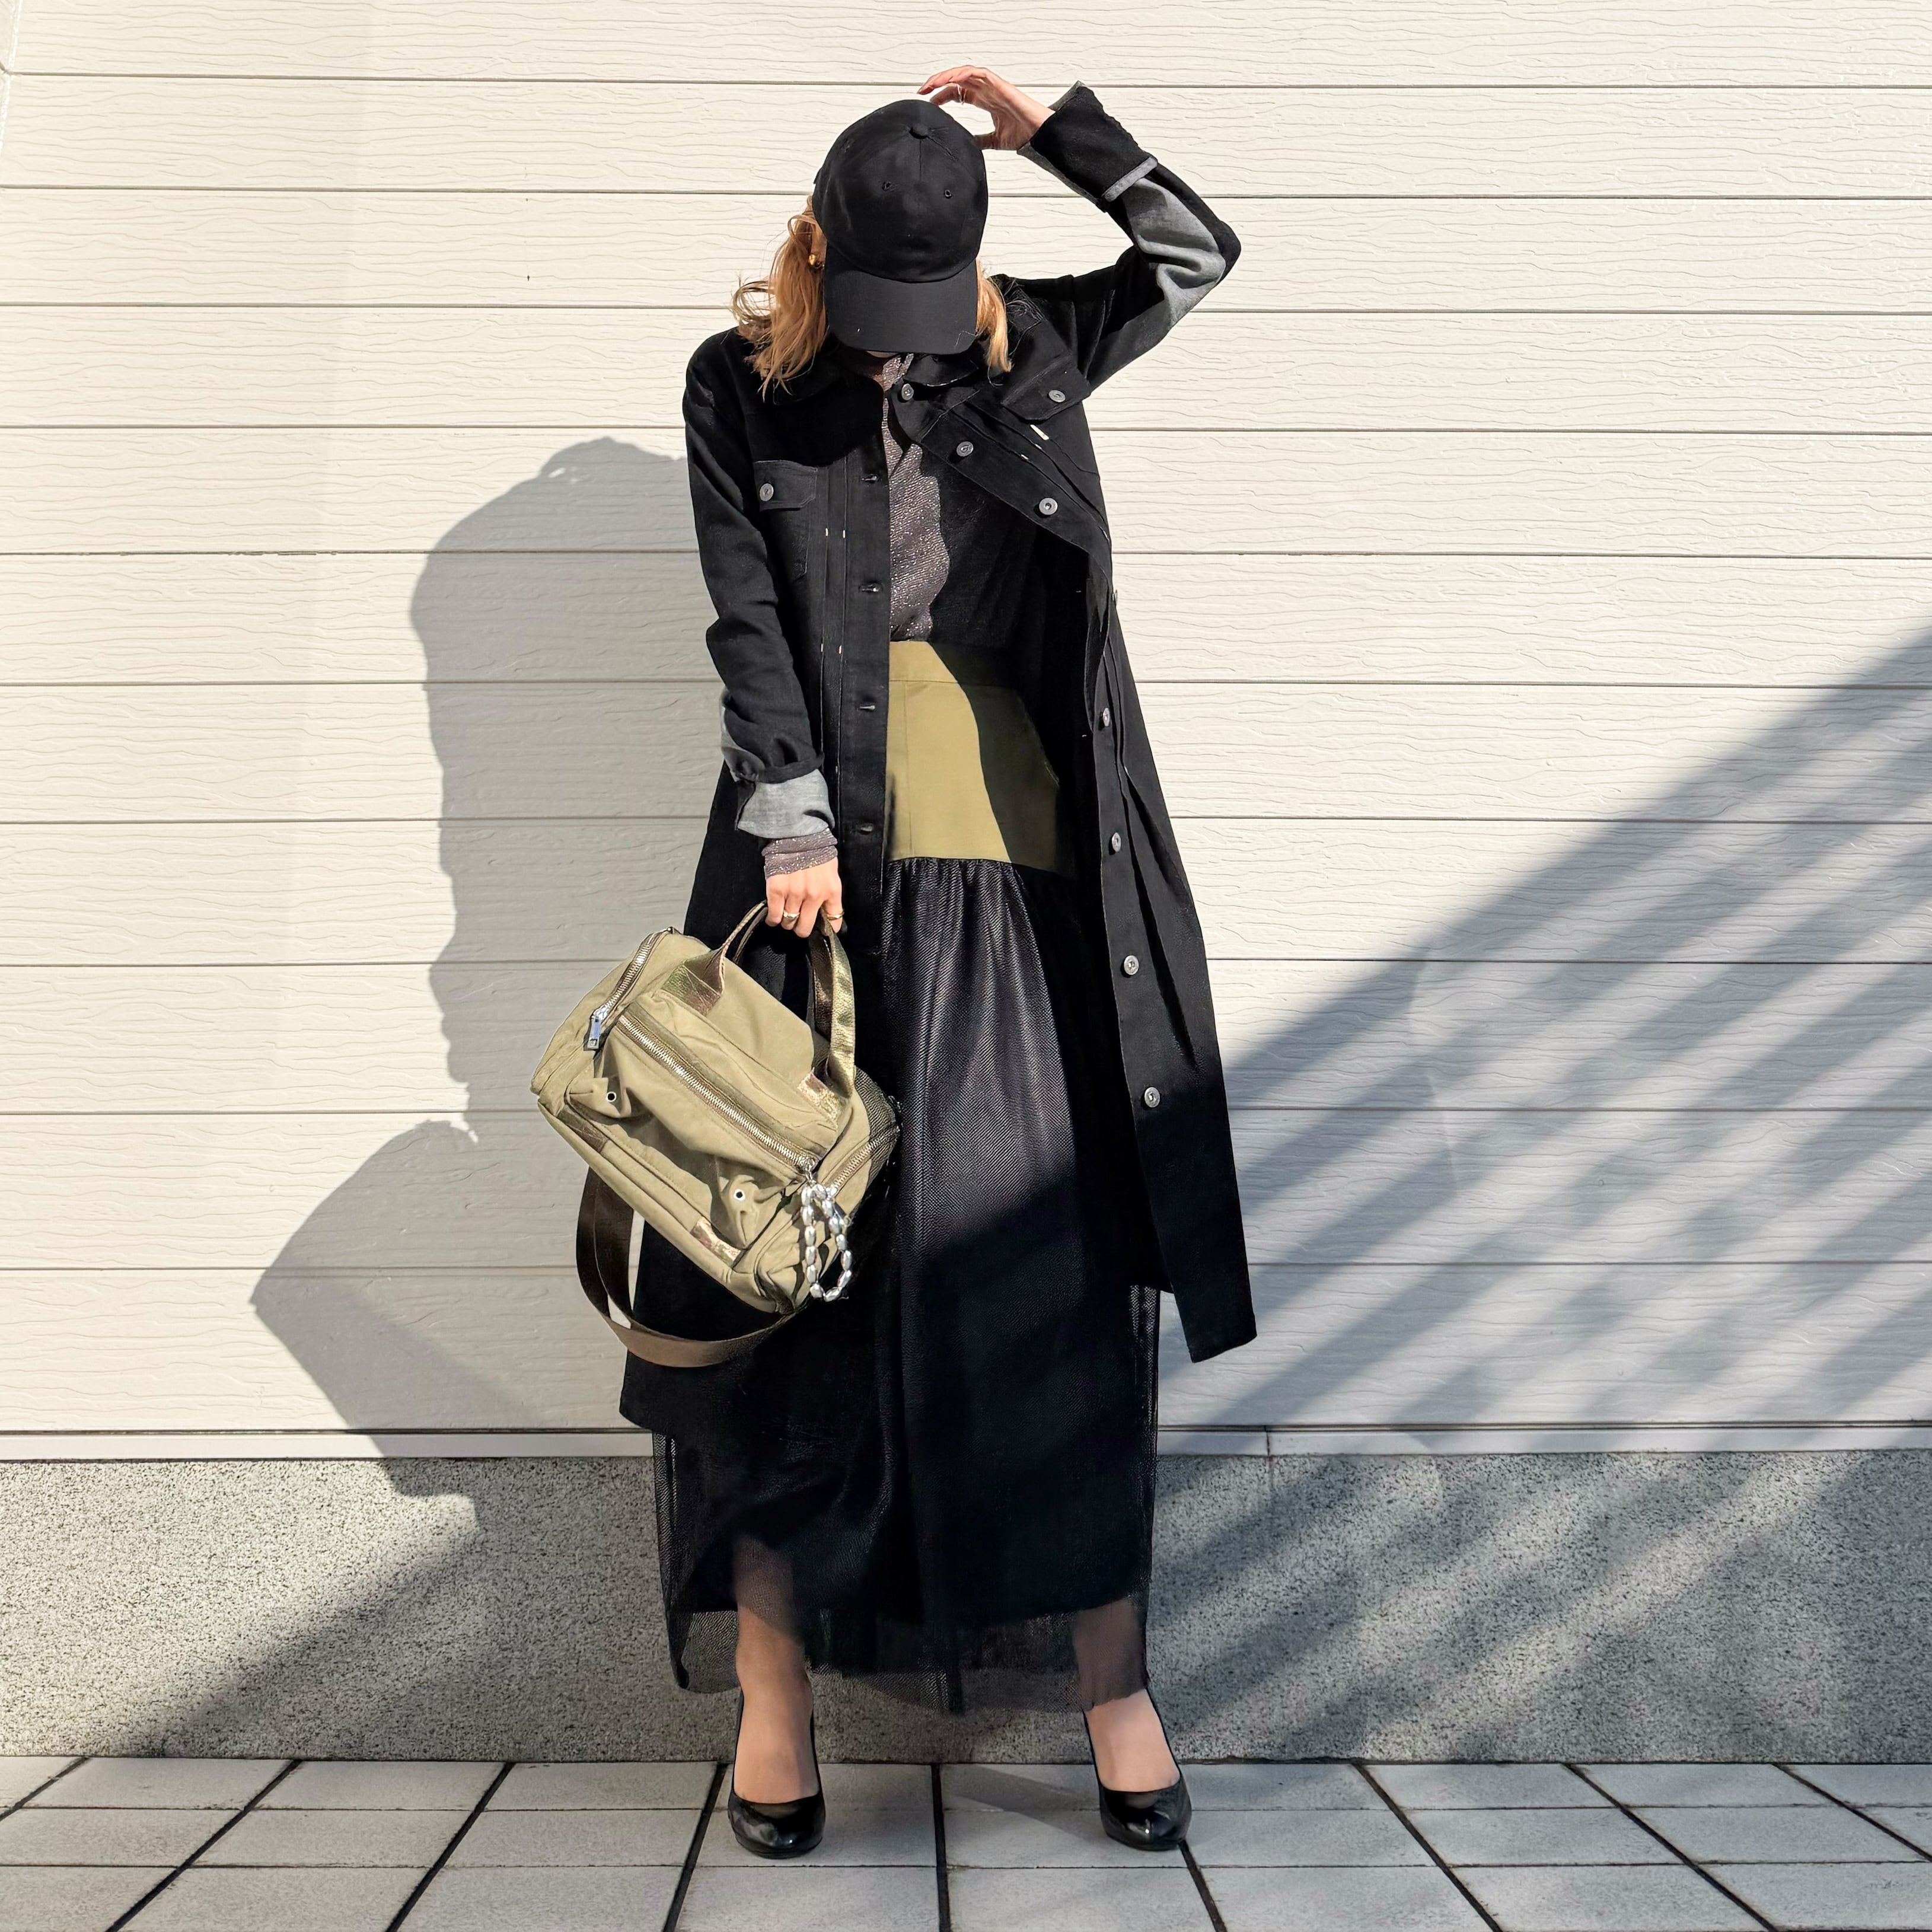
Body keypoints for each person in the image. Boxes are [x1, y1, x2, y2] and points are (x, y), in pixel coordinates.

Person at [617, 65, 1255, 1858]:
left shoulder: (1030, 345)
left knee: (1031, 1287)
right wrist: (792, 821)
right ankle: (771, 1697)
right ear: (815, 255)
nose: (904, 346)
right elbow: (747, 613)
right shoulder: (739, 383)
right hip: (809, 886)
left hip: (1020, 891)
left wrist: (1056, 136)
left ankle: (1116, 1692)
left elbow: (1195, 252)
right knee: (774, 1291)